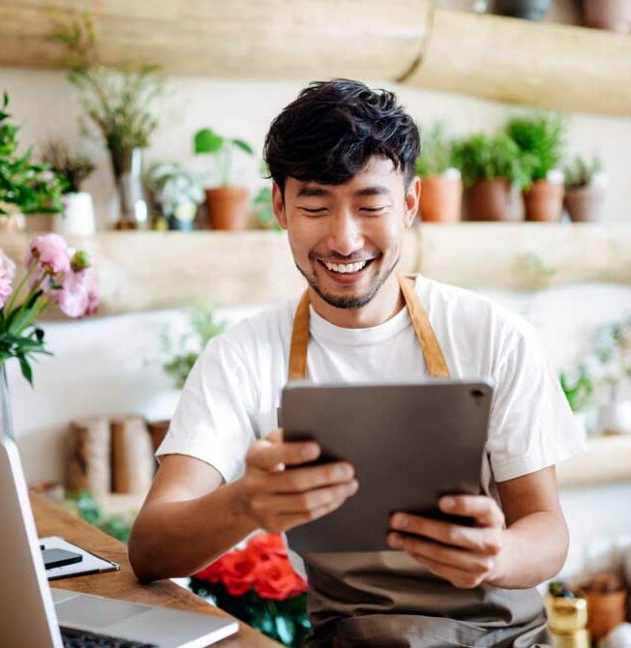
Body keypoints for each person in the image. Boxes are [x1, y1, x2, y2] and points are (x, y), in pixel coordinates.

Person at [128, 79, 585, 647]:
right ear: (279, 207)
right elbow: (149, 549)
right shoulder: (242, 355)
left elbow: (548, 531)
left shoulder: (494, 335)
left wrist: (497, 554)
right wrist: (245, 503)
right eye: (315, 206)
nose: (344, 240)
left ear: (410, 204)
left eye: (371, 205)